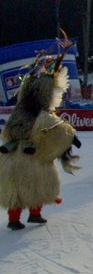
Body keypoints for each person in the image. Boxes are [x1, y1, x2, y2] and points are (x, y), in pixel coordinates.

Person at [0, 53, 80, 230]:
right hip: (33, 158)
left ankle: (14, 218)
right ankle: (35, 214)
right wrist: (71, 137)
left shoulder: (18, 113)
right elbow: (58, 131)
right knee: (38, 185)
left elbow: (7, 132)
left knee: (16, 189)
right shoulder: (43, 116)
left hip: (11, 157)